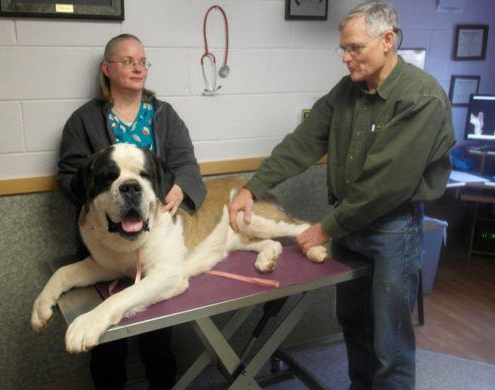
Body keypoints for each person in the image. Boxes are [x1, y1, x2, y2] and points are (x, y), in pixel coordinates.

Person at [228, 2, 455, 389]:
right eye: (344, 49)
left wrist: (324, 229)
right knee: (353, 323)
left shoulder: (421, 97)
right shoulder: (347, 90)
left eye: (355, 48)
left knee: (391, 341)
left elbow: (384, 185)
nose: (346, 58)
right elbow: (303, 141)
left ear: (387, 41)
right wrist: (253, 186)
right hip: (350, 228)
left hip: (392, 231)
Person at [57, 34, 206, 390]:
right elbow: (70, 173)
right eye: (126, 60)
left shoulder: (165, 116)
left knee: (158, 336)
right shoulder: (83, 120)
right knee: (106, 343)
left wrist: (180, 187)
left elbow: (186, 163)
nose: (137, 66)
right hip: (105, 243)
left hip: (154, 241)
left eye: (142, 60)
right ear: (107, 69)